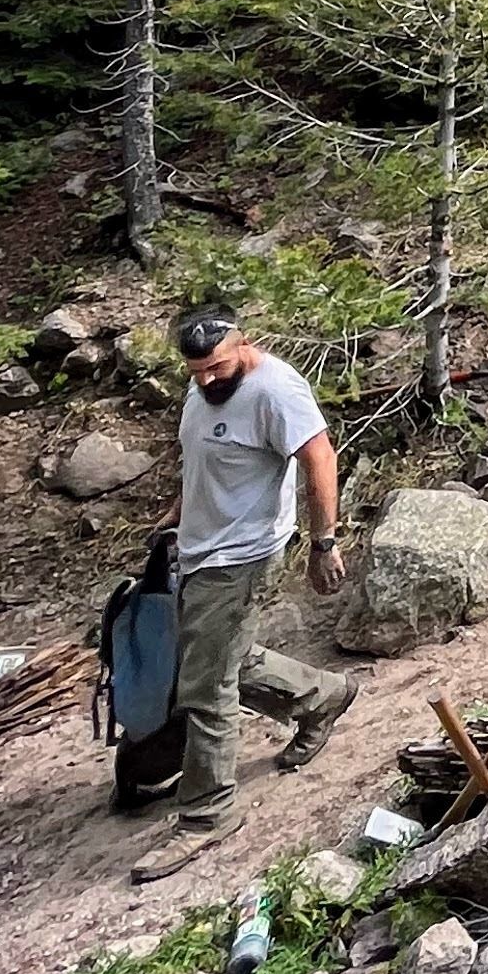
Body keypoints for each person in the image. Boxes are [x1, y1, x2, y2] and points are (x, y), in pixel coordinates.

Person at [129, 308, 357, 877]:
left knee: (205, 687)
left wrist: (324, 542)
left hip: (244, 554)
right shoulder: (203, 387)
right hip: (199, 548)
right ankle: (321, 696)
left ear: (245, 346)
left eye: (216, 367)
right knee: (222, 658)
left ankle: (206, 815)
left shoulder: (275, 391)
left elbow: (320, 458)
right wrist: (178, 518)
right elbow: (204, 461)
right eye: (196, 370)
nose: (206, 380)